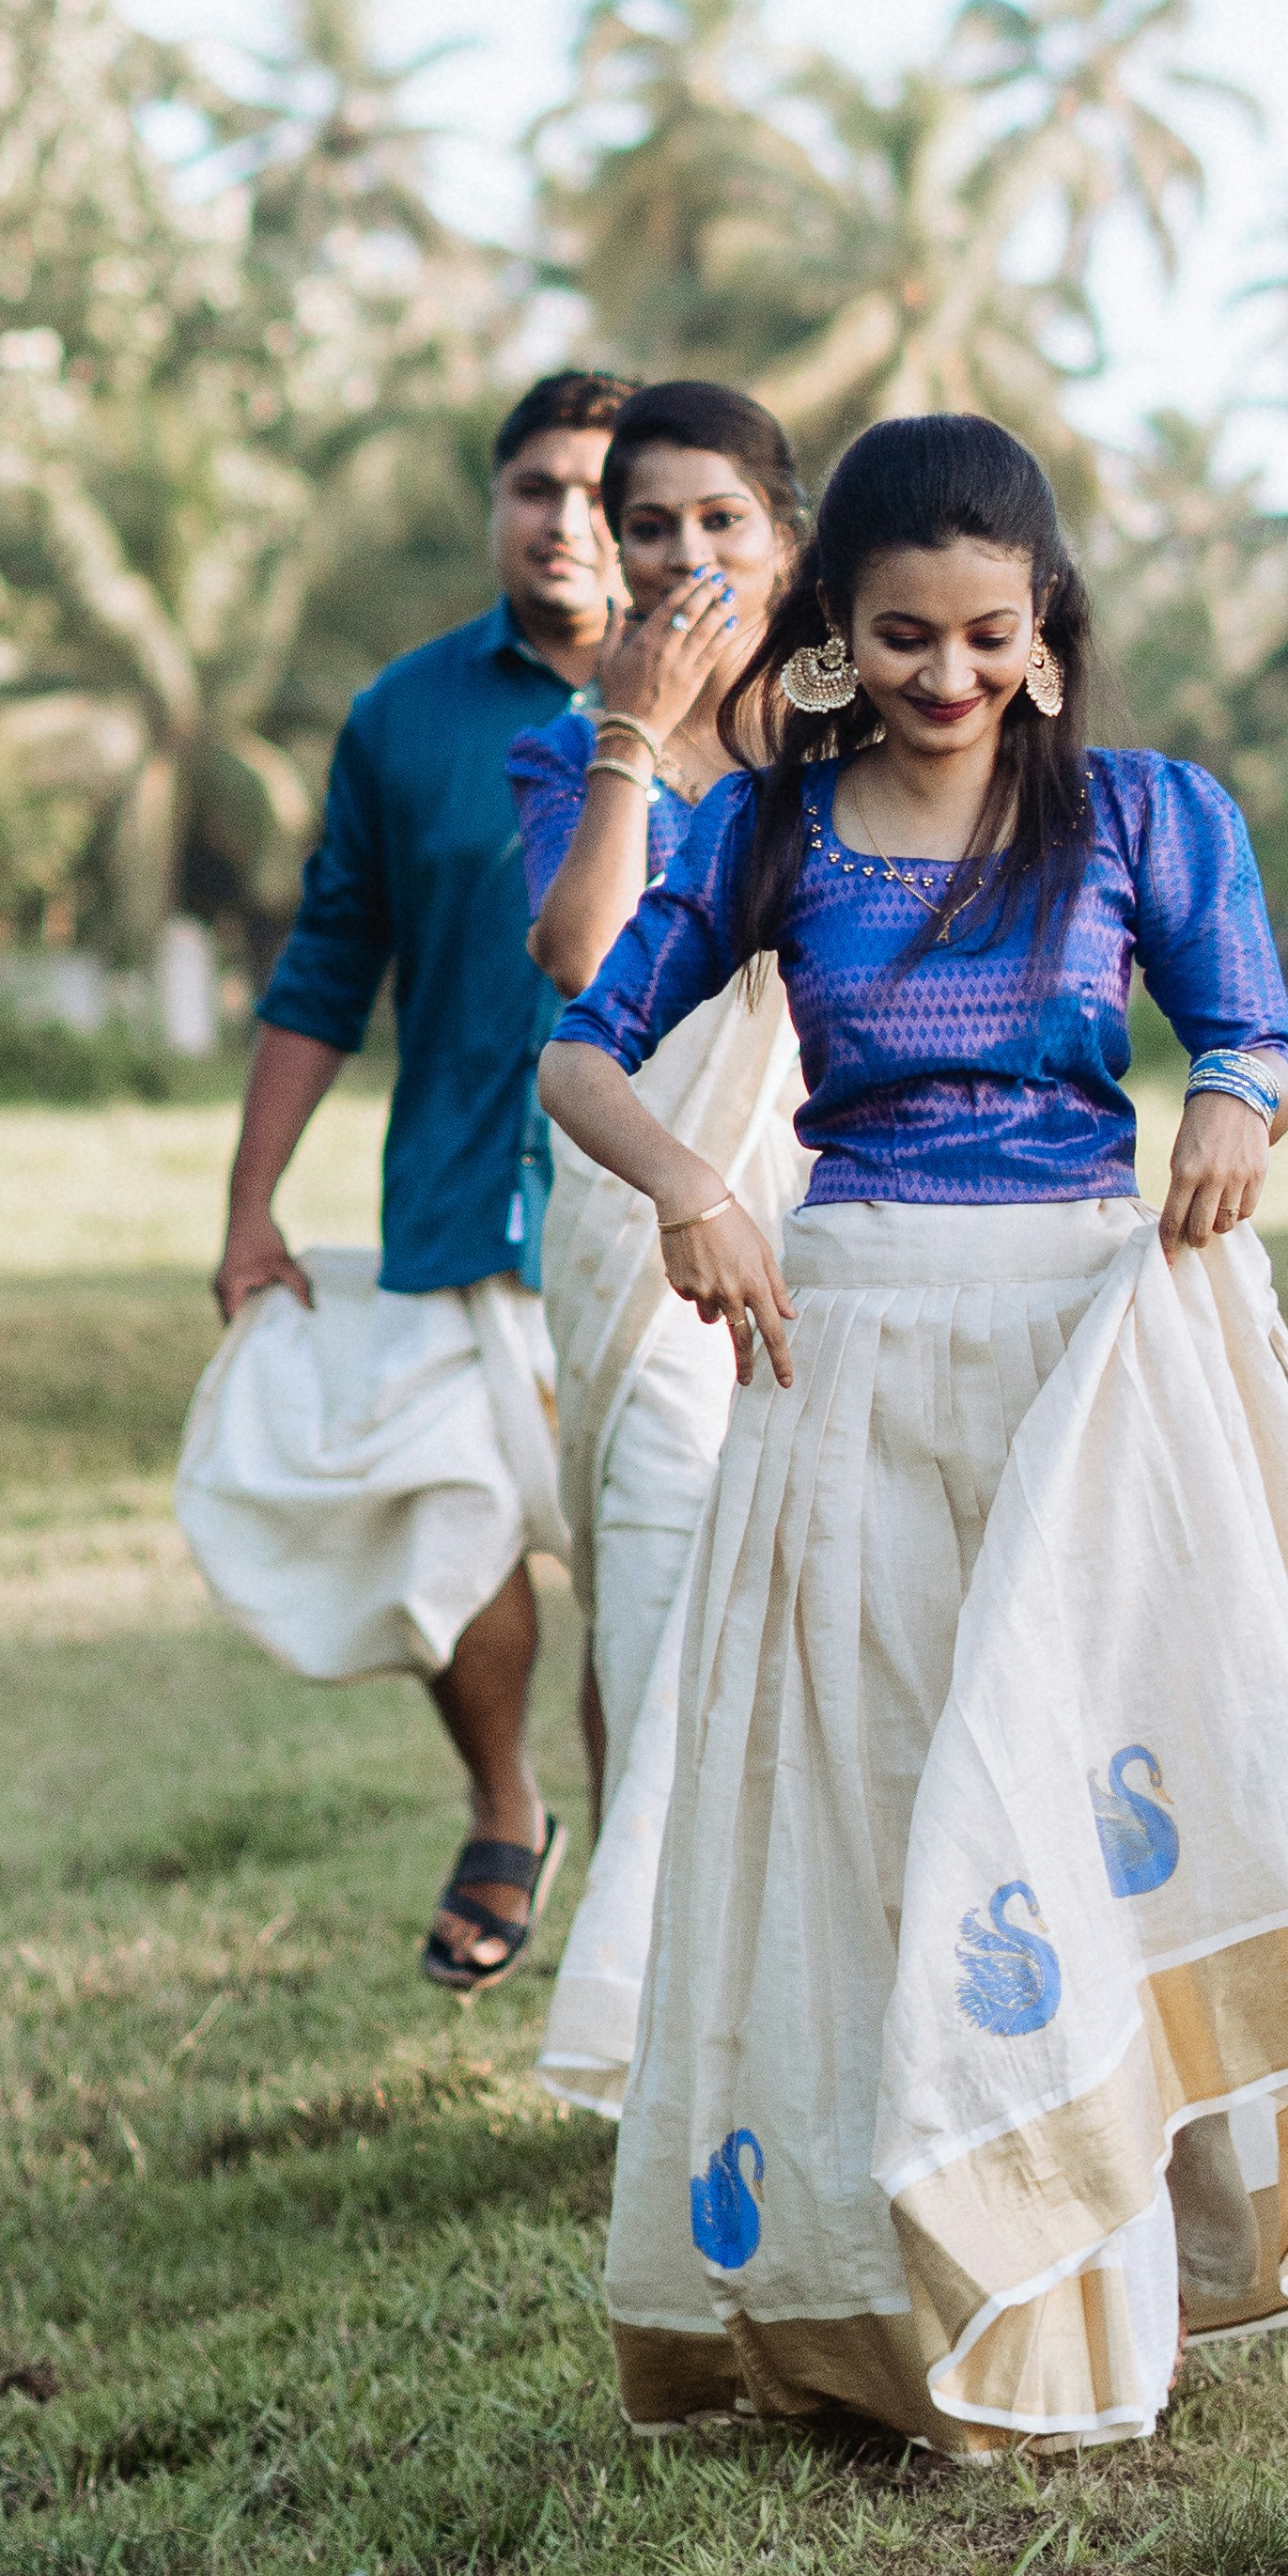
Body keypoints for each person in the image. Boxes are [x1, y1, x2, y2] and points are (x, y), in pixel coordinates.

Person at [536, 412, 1288, 2455]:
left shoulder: (1143, 815)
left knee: (1073, 1786)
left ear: (1043, 629)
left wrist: (1231, 1097)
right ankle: (876, 2310)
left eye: (982, 635)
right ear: (829, 639)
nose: (943, 679)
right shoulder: (772, 832)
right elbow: (577, 1050)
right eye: (897, 641)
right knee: (882, 1809)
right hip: (848, 1348)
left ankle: (1087, 2308)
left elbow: (1247, 1028)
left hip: (1088, 1355)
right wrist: (697, 1195)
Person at [177, 367, 628, 1994]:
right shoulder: (409, 715)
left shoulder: (750, 713)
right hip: (454, 1206)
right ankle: (505, 1804)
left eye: (603, 493)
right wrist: (250, 1209)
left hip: (656, 1216)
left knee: (642, 1573)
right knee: (445, 1523)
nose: (568, 522)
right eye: (538, 489)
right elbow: (322, 973)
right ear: (494, 507)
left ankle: (639, 1893)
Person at [506, 382, 815, 2114]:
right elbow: (581, 957)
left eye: (723, 522)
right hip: (642, 1244)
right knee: (666, 1608)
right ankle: (662, 2038)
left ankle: (798, 2011)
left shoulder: (859, 738)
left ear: (785, 539)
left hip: (837, 1225)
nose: (687, 556)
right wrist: (639, 734)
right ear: (610, 551)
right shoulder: (571, 747)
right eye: (651, 526)